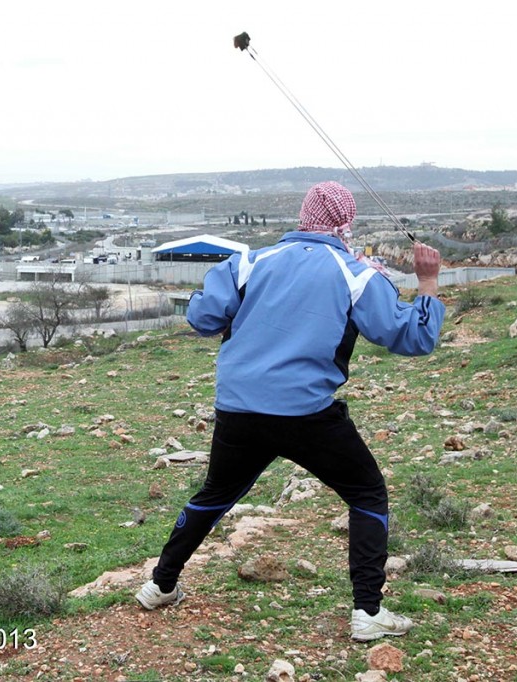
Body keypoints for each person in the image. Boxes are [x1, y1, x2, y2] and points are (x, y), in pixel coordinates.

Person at [135, 181, 445, 642]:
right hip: (308, 415)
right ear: (346, 222)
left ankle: (160, 585)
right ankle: (368, 612)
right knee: (366, 495)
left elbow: (201, 318)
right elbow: (415, 339)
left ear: (303, 216)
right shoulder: (357, 274)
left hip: (239, 409)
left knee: (215, 495)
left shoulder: (248, 262)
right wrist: (427, 281)